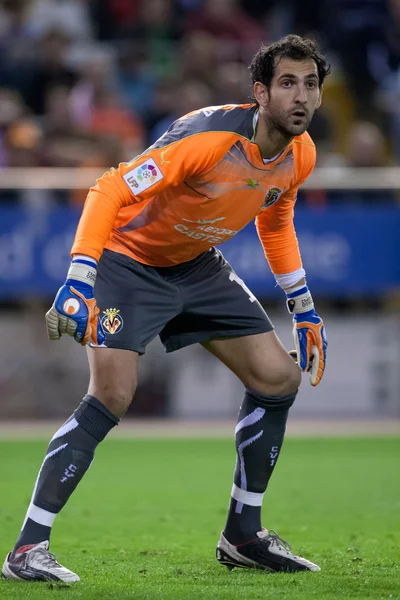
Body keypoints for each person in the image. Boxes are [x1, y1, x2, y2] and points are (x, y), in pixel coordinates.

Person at [2, 34, 329, 582]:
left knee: (278, 378)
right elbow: (108, 189)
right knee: (112, 395)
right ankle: (26, 551)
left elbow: (276, 218)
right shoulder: (206, 140)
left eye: (311, 85)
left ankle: (244, 536)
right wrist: (81, 274)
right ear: (261, 93)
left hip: (196, 263)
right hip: (127, 262)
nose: (301, 96)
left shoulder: (302, 154)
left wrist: (303, 307)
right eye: (288, 83)